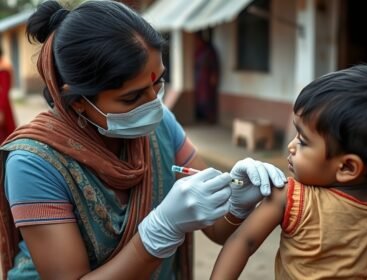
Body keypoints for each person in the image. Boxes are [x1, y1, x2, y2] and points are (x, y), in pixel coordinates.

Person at [0, 1, 287, 279]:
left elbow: (216, 230)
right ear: (77, 101)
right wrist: (157, 233)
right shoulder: (34, 163)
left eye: (158, 82)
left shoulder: (161, 127)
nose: (154, 105)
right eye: (132, 97)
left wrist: (236, 205)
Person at [211, 64, 367, 279]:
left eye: (303, 141)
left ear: (347, 167)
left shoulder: (291, 198)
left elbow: (242, 241)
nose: (291, 146)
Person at [194, 31, 219, 123]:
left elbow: (214, 64)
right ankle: (203, 116)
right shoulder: (198, 51)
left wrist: (214, 74)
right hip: (200, 78)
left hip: (207, 78)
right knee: (200, 98)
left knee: (208, 98)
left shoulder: (209, 50)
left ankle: (211, 118)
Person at [0, 45, 16, 143]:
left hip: (2, 104)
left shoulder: (4, 67)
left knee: (6, 135)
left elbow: (5, 90)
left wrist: (1, 110)